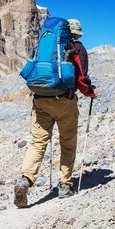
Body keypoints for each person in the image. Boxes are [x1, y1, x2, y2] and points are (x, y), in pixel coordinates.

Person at [14, 18, 98, 208]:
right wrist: (90, 92)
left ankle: (25, 180)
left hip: (40, 99)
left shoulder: (43, 45)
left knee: (37, 142)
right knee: (68, 143)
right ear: (75, 33)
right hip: (64, 101)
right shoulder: (75, 48)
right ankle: (65, 185)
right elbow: (81, 79)